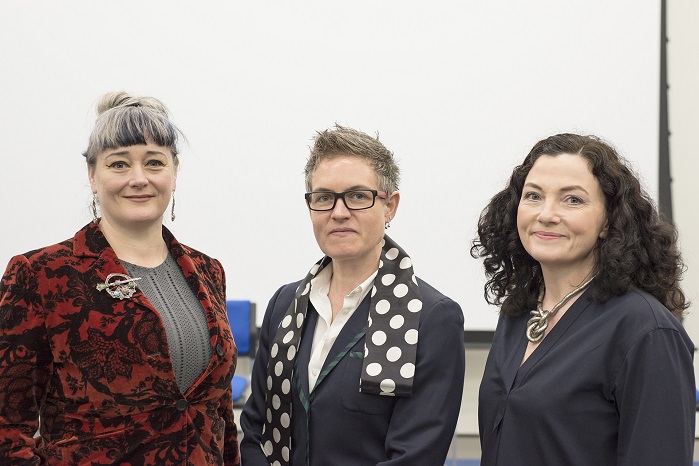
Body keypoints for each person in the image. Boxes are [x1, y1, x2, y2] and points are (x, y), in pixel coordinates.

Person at [0, 92, 240, 465]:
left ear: (175, 172)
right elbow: (7, 431)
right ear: (92, 175)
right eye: (119, 164)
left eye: (155, 162)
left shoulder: (209, 272)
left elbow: (220, 414)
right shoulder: (40, 275)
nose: (138, 178)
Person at [240, 125, 465, 465]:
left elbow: (414, 456)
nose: (339, 212)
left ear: (390, 206)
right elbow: (255, 433)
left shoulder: (432, 317)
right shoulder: (285, 306)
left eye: (358, 196)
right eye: (324, 197)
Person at [472, 133, 695, 465]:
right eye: (533, 196)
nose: (546, 214)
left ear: (608, 221)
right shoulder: (520, 311)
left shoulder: (646, 331)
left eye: (572, 200)